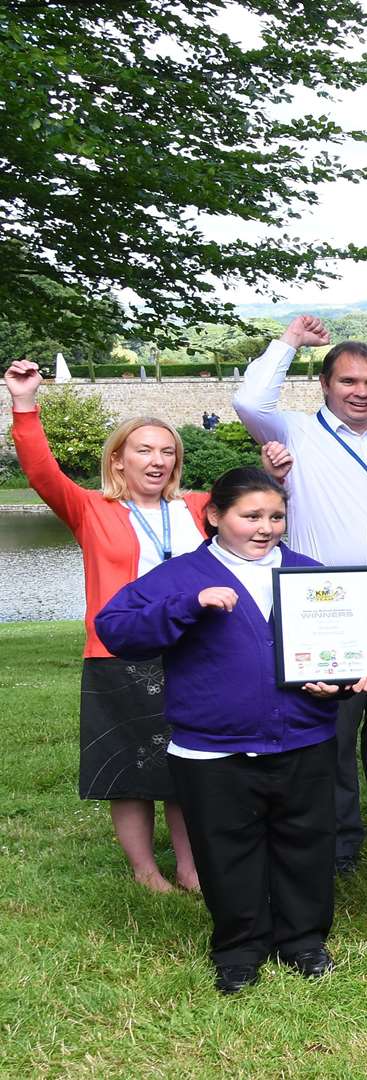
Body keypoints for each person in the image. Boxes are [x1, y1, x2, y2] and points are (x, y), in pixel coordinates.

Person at [95, 468, 367, 993]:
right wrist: (187, 605)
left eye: (275, 516)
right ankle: (238, 949)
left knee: (306, 844)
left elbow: (347, 652)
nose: (265, 527)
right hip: (211, 748)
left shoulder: (310, 575)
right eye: (250, 516)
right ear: (214, 516)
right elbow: (114, 628)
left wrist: (340, 685)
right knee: (226, 849)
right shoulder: (183, 575)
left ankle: (304, 942)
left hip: (304, 738)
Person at [235, 315, 367, 874]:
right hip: (328, 600)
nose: (361, 393)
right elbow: (249, 398)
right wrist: (290, 341)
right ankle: (340, 835)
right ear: (324, 385)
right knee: (334, 726)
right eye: (348, 382)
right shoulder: (294, 432)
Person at [7, 359, 206, 892]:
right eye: (144, 449)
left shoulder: (198, 508)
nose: (157, 460)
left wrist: (274, 472)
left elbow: (256, 515)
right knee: (130, 767)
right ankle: (146, 871)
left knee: (190, 763)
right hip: (119, 653)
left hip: (193, 652)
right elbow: (42, 472)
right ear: (118, 460)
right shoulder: (90, 508)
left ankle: (190, 867)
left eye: (167, 451)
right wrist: (25, 405)